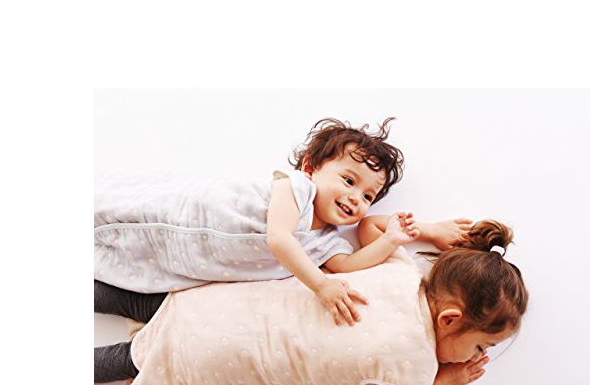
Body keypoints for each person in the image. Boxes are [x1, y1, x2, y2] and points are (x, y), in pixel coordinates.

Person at [94, 218, 529, 385]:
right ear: (450, 319)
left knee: (133, 299)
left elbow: (372, 226)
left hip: (223, 298)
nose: (477, 357)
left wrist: (430, 232)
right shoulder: (416, 363)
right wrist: (444, 384)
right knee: (126, 360)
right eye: (479, 346)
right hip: (214, 352)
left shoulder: (402, 270)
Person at [95, 117, 447, 326]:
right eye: (349, 180)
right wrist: (321, 286)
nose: (357, 198)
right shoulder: (296, 189)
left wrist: (391, 239)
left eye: (368, 196)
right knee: (116, 207)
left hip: (182, 256)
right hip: (181, 212)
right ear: (311, 167)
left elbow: (349, 265)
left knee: (116, 263)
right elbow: (278, 238)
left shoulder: (324, 242)